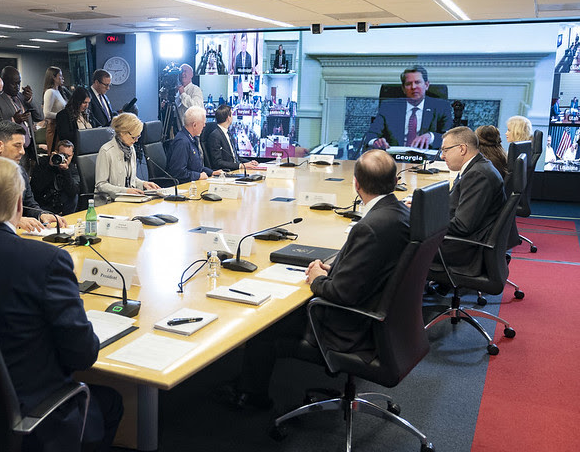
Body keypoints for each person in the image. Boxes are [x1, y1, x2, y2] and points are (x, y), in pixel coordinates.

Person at [0, 157, 122, 452]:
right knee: (111, 402)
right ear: (19, 203)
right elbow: (82, 354)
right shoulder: (44, 261)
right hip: (26, 418)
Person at [223, 150, 410, 409]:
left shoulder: (370, 227)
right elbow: (366, 267)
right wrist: (334, 268)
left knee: (264, 324)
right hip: (384, 315)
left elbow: (342, 294)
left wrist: (317, 279)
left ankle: (251, 396)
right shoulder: (399, 212)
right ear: (393, 180)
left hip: (348, 326)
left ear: (356, 183)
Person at [435, 126, 505, 277]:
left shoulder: (478, 175)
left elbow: (462, 226)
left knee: (397, 236)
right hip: (462, 241)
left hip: (462, 249)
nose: (442, 156)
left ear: (462, 149)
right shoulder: (477, 167)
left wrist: (423, 218)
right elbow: (455, 206)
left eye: (445, 150)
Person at [0, 120, 66, 232]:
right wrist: (15, 220)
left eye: (23, 146)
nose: (22, 152)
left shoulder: (20, 171)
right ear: (0, 145)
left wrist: (41, 214)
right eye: (17, 146)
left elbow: (29, 204)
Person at [364, 66, 453, 150]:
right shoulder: (388, 107)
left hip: (427, 160)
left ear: (426, 85)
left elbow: (450, 138)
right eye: (408, 84)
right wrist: (375, 141)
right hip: (394, 159)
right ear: (403, 88)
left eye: (417, 82)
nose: (413, 87)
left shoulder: (441, 107)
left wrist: (431, 137)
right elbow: (370, 135)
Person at [94, 112, 160, 198]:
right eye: (134, 137)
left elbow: (130, 179)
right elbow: (101, 184)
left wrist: (143, 184)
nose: (136, 140)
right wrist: (125, 191)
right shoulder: (106, 151)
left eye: (138, 137)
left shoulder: (131, 148)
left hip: (128, 199)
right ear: (122, 132)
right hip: (109, 201)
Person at [0, 66, 43, 165]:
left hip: (29, 149)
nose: (17, 87)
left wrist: (30, 100)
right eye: (13, 83)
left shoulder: (22, 97)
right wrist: (14, 121)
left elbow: (39, 117)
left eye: (19, 83)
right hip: (12, 152)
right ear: (4, 82)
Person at [166, 106, 223, 183]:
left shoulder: (192, 139)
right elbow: (178, 172)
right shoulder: (182, 142)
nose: (204, 126)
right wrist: (198, 176)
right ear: (194, 125)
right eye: (203, 123)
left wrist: (212, 172)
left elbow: (197, 167)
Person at [30, 139, 80, 215]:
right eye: (62, 154)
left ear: (72, 155)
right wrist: (50, 166)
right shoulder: (43, 162)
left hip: (62, 204)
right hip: (43, 203)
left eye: (68, 156)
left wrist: (66, 171)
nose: (65, 158)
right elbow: (36, 188)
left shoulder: (73, 168)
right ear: (56, 152)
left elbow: (73, 192)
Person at [204, 104, 259, 171]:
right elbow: (217, 162)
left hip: (235, 170)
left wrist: (249, 162)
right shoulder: (215, 136)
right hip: (227, 173)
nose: (233, 117)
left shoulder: (228, 133)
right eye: (232, 115)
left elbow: (235, 158)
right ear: (228, 118)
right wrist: (240, 166)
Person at [54, 87, 93, 152]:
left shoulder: (88, 114)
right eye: (84, 102)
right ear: (77, 101)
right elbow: (64, 137)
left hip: (89, 149)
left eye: (88, 103)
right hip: (73, 151)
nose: (87, 106)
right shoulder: (63, 115)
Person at [42, 66, 67, 150]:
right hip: (54, 129)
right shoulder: (50, 92)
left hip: (61, 127)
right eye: (60, 75)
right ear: (53, 77)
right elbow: (46, 113)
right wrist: (62, 116)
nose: (62, 78)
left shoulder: (59, 91)